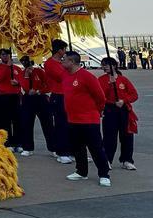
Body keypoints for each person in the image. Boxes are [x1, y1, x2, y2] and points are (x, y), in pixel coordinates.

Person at [61, 51, 111, 186]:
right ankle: (81, 171)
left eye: (64, 59)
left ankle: (104, 174)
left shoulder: (87, 76)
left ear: (72, 62)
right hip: (72, 119)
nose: (62, 61)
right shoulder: (65, 75)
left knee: (96, 148)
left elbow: (100, 97)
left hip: (88, 119)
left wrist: (98, 111)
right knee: (77, 147)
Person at [99, 58, 138, 171]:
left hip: (123, 109)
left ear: (114, 66)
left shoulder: (123, 80)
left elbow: (134, 94)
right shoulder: (101, 80)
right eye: (103, 65)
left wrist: (124, 100)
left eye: (107, 65)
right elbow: (100, 95)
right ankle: (107, 159)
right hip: (109, 109)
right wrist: (110, 84)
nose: (104, 67)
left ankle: (127, 160)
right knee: (109, 136)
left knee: (127, 135)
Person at [44, 39, 74, 164]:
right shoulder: (50, 63)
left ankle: (72, 151)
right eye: (64, 49)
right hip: (58, 95)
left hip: (68, 95)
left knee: (71, 124)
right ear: (59, 50)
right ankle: (62, 152)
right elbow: (63, 77)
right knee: (61, 124)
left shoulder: (62, 62)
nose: (65, 52)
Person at [18, 56, 53, 157]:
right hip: (28, 99)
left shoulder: (39, 71)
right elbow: (25, 87)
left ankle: (53, 148)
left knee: (48, 123)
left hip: (40, 98)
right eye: (23, 61)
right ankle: (27, 148)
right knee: (27, 124)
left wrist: (38, 91)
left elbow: (48, 85)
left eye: (27, 61)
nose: (25, 63)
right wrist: (27, 75)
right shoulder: (22, 73)